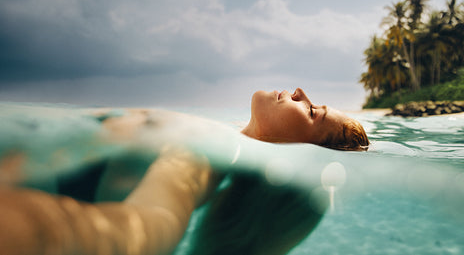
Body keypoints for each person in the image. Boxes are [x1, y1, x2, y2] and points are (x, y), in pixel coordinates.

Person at [0, 88, 368, 255]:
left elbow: (148, 229)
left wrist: (30, 230)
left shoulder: (204, 162)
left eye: (312, 112)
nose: (302, 92)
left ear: (298, 153)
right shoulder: (217, 138)